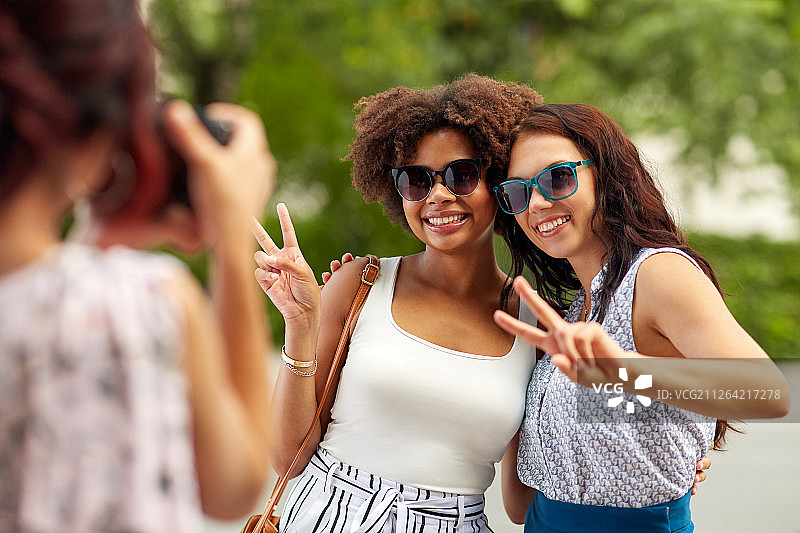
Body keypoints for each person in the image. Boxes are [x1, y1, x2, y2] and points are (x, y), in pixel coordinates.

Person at [0, 1, 276, 531]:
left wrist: (100, 240)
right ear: (99, 129)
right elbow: (234, 484)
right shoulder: (140, 308)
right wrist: (234, 240)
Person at [252, 74, 543, 532]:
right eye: (416, 180)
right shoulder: (361, 283)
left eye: (462, 175)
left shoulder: (537, 322)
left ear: (499, 180)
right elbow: (288, 456)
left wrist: (654, 454)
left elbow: (521, 504)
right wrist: (300, 323)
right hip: (328, 515)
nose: (438, 195)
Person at [491, 103, 790, 531]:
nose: (537, 202)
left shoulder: (656, 273)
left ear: (606, 176)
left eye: (557, 178)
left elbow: (767, 393)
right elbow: (521, 507)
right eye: (517, 192)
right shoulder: (576, 311)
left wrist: (626, 373)